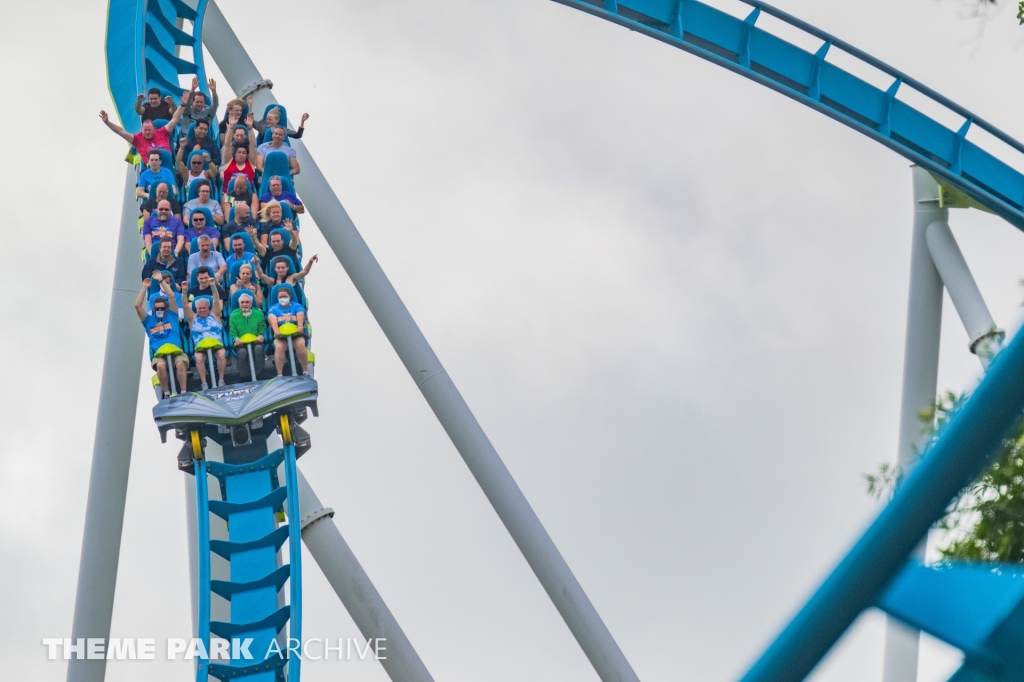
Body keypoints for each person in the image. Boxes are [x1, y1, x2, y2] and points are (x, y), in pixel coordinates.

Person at [136, 271, 188, 398]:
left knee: (180, 364)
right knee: (160, 365)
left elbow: (171, 296)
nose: (160, 311)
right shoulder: (149, 320)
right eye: (157, 309)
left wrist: (161, 281)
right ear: (154, 309)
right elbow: (137, 306)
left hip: (176, 351)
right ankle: (166, 393)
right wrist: (144, 288)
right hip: (159, 353)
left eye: (162, 308)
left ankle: (183, 392)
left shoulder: (172, 315)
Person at [100, 91, 187, 157]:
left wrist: (182, 104)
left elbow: (175, 117)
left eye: (155, 99)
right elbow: (121, 131)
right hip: (149, 168)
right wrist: (108, 122)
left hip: (165, 167)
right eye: (151, 99)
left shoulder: (162, 132)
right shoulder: (139, 137)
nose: (153, 101)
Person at [183, 286, 226, 390]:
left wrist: (213, 287)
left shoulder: (215, 315)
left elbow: (216, 300)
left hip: (216, 344)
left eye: (204, 308)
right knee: (198, 358)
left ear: (208, 308)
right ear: (196, 309)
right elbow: (185, 306)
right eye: (200, 308)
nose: (202, 310)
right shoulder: (192, 318)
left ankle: (221, 380)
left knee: (221, 354)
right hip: (200, 347)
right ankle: (204, 383)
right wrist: (184, 292)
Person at [267, 286, 309, 376]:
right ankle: (280, 374)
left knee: (300, 344)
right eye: (280, 297)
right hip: (281, 336)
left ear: (289, 296)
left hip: (296, 334)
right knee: (279, 347)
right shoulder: (273, 309)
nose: (283, 299)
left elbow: (300, 314)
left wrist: (300, 325)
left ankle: (305, 371)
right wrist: (276, 331)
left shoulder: (296, 306)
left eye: (285, 297)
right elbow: (271, 318)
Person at [229, 292, 267, 382]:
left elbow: (262, 327)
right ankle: (245, 377)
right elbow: (233, 331)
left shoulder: (259, 314)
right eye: (242, 302)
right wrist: (236, 339)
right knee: (242, 353)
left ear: (251, 303)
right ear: (239, 304)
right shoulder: (233, 316)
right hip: (241, 343)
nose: (245, 304)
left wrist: (261, 335)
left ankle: (258, 374)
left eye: (247, 302)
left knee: (258, 349)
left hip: (256, 341)